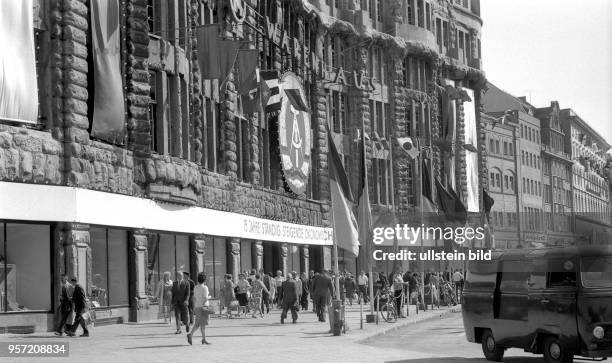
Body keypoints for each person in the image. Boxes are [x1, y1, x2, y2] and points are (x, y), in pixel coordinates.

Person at [187, 272, 211, 345]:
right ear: (204, 280)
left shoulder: (196, 287)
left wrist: (195, 307)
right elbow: (205, 298)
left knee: (201, 324)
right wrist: (210, 297)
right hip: (204, 307)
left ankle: (204, 339)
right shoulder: (205, 287)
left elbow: (194, 298)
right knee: (199, 324)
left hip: (197, 306)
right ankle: (190, 335)